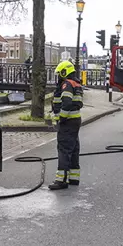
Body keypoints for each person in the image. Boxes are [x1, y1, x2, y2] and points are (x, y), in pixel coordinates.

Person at [49, 60, 83, 190]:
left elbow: (67, 103)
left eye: (60, 74)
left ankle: (61, 180)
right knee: (73, 149)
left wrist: (61, 118)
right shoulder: (76, 84)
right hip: (75, 121)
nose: (58, 77)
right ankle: (74, 178)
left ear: (65, 72)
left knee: (63, 150)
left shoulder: (67, 84)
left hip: (67, 122)